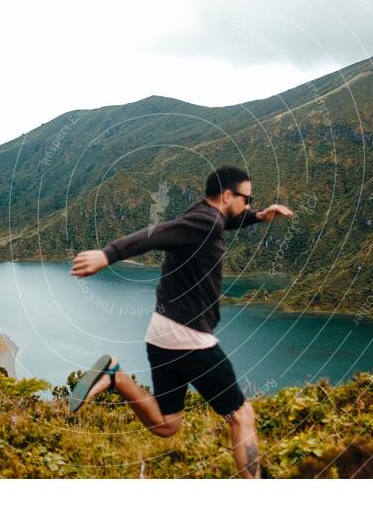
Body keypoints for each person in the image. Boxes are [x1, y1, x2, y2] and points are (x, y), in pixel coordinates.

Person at [68, 165, 294, 479]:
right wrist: (108, 255)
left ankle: (115, 376)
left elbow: (229, 219)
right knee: (242, 416)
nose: (248, 202)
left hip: (161, 333)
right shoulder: (203, 222)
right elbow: (154, 234)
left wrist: (257, 216)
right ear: (228, 195)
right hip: (190, 339)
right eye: (247, 197)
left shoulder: (206, 216)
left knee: (166, 424)